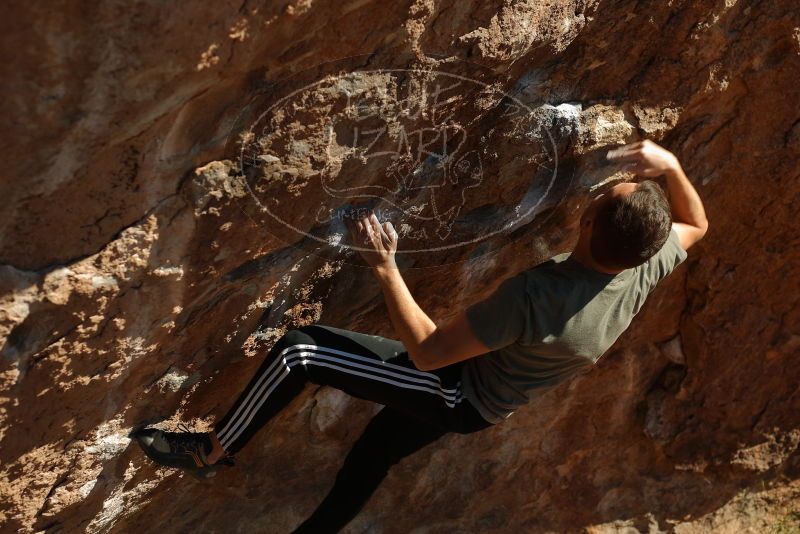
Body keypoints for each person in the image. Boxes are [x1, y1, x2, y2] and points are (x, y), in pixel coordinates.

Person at [132, 139, 708, 532]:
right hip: (491, 400)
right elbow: (697, 224)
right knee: (373, 454)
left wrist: (386, 267)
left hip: (457, 391)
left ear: (586, 224)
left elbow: (430, 355)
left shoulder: (536, 299)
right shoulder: (639, 270)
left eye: (606, 196)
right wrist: (672, 165)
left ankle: (211, 450)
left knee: (300, 352)